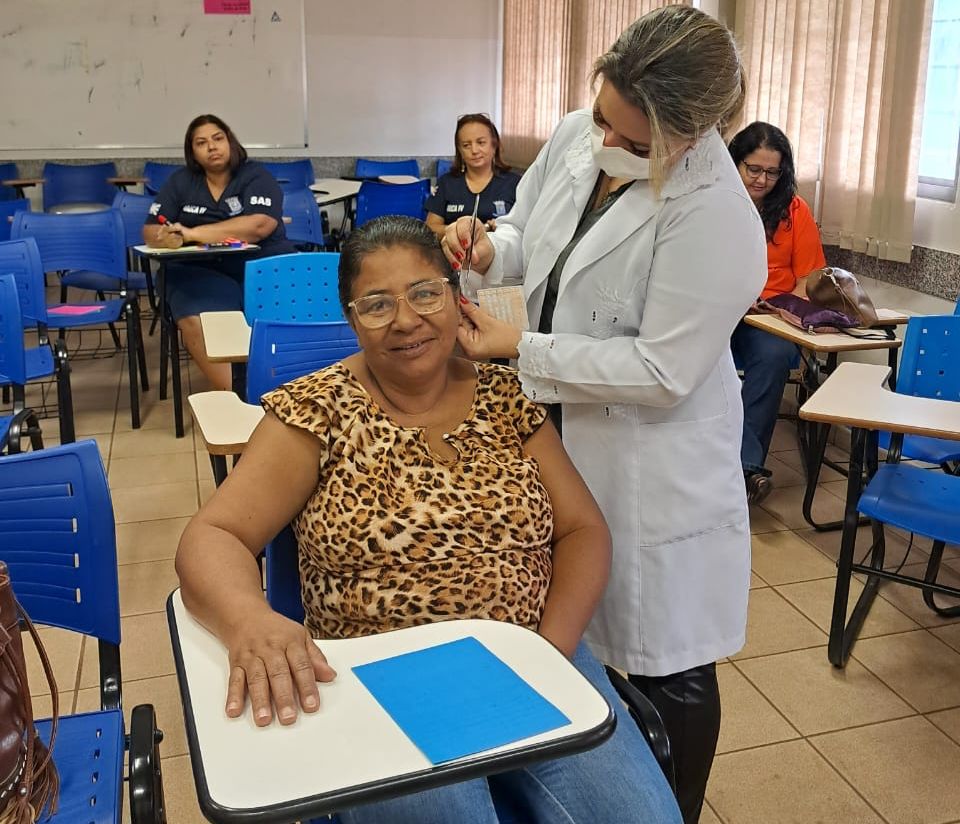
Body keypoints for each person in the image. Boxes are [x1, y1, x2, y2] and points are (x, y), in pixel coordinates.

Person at [175, 216, 681, 824]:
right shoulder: (316, 410)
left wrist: (551, 653)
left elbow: (583, 529)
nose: (407, 320)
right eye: (377, 304)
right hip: (387, 679)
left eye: (424, 292)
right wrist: (249, 620)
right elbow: (213, 534)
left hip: (529, 657)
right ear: (350, 317)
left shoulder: (507, 395)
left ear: (455, 296)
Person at [443, 7, 767, 822]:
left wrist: (525, 348)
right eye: (601, 118)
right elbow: (526, 231)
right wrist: (489, 250)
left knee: (666, 660)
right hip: (551, 425)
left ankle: (672, 808)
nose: (605, 144)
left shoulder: (718, 217)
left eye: (629, 139)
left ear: (690, 134)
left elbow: (660, 370)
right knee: (571, 633)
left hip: (648, 458)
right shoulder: (582, 135)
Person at [143, 114, 296, 391]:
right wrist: (163, 237)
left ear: (230, 141)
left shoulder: (256, 175)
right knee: (196, 315)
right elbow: (151, 229)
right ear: (193, 152)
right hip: (200, 270)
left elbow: (259, 224)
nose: (212, 147)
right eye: (201, 143)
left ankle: (285, 386)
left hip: (262, 265)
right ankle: (242, 395)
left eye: (217, 138)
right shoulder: (180, 182)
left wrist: (191, 233)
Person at [728, 121, 827, 503]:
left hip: (768, 319)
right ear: (735, 163)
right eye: (753, 169)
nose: (762, 180)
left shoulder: (793, 211)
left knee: (771, 356)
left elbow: (809, 281)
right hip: (719, 312)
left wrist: (778, 308)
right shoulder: (714, 204)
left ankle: (745, 469)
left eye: (772, 172)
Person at [425, 114, 521, 236]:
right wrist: (461, 231)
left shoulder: (515, 183)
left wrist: (503, 229)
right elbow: (431, 228)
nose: (474, 150)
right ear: (459, 150)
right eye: (466, 145)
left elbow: (527, 226)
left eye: (481, 142)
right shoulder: (446, 183)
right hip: (453, 252)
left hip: (500, 252)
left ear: (494, 145)